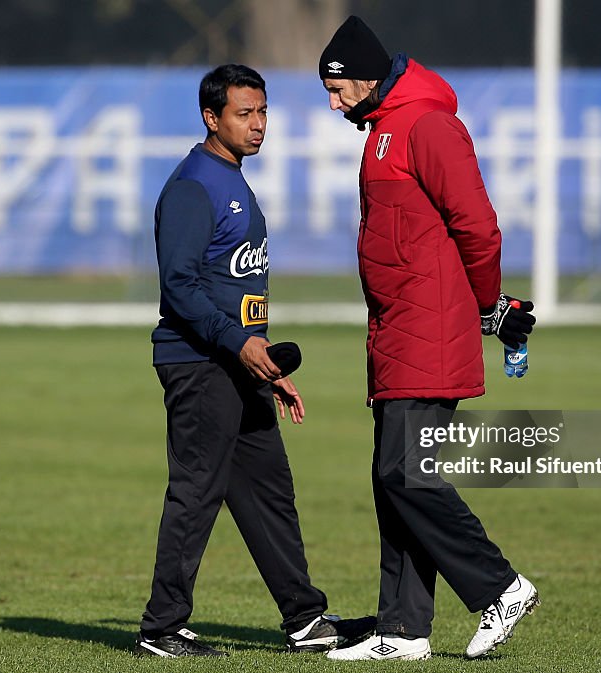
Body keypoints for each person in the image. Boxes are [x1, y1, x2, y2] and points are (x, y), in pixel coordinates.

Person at [315, 17, 540, 661]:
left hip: (430, 326)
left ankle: (500, 587)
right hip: (396, 328)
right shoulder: (384, 129)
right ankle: (402, 630)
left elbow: (479, 226)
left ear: (364, 76)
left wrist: (490, 305)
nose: (331, 103)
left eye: (335, 88)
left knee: (406, 473)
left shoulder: (429, 126)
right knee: (395, 481)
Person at [138, 64, 374, 658]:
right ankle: (162, 628)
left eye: (263, 111)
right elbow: (180, 286)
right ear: (211, 118)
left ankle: (304, 619)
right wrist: (238, 343)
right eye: (244, 114)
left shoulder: (233, 179)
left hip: (239, 364)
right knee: (197, 490)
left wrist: (262, 360)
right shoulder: (195, 183)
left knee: (269, 490)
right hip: (198, 362)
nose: (258, 124)